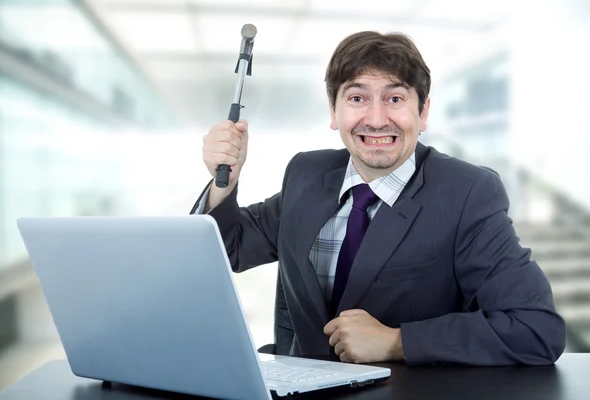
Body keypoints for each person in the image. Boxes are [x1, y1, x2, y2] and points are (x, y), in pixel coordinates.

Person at [191, 31, 566, 366]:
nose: (375, 118)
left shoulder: (467, 194)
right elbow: (230, 249)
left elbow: (534, 328)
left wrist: (397, 341)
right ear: (334, 111)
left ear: (423, 112)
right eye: (357, 97)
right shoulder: (306, 174)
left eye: (395, 98)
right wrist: (225, 181)